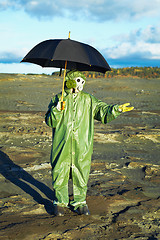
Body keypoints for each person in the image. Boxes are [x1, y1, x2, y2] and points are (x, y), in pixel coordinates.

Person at [45, 70, 134, 216]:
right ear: (70, 81)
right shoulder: (57, 98)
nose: (81, 84)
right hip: (62, 143)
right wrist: (56, 110)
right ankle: (60, 202)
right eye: (78, 80)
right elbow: (50, 121)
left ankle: (79, 202)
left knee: (81, 170)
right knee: (60, 171)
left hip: (82, 144)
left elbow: (102, 110)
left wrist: (116, 109)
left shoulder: (88, 99)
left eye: (83, 81)